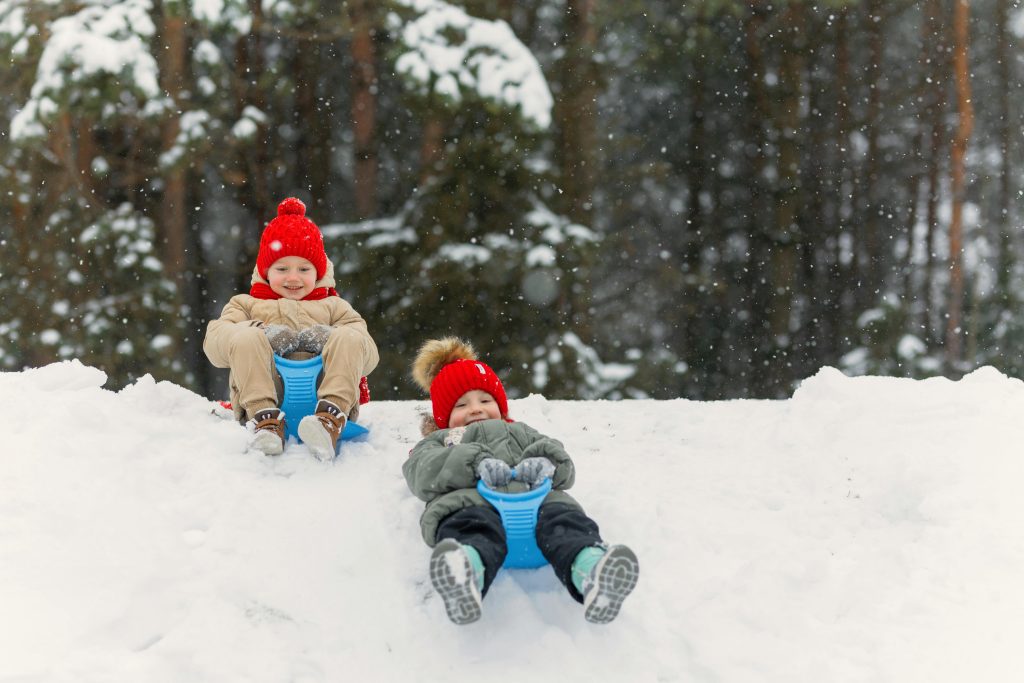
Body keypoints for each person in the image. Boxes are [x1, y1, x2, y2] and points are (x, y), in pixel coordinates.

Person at [403, 337, 639, 625]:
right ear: (444, 417)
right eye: (462, 404)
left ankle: (593, 573)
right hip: (473, 505)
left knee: (567, 524)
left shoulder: (520, 432)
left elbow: (559, 458)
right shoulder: (442, 440)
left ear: (501, 406)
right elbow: (420, 471)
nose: (476, 409)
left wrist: (545, 463)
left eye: (485, 400)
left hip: (537, 504)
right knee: (468, 528)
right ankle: (464, 575)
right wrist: (474, 462)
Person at [203, 197, 378, 459]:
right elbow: (214, 345)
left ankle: (328, 421)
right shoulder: (246, 305)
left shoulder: (334, 306)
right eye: (282, 268)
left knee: (349, 337)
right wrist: (261, 332)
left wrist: (331, 337)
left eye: (304, 269)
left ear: (318, 272)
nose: (293, 277)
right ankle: (266, 424)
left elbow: (369, 355)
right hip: (266, 392)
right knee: (245, 336)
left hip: (323, 393)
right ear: (266, 271)